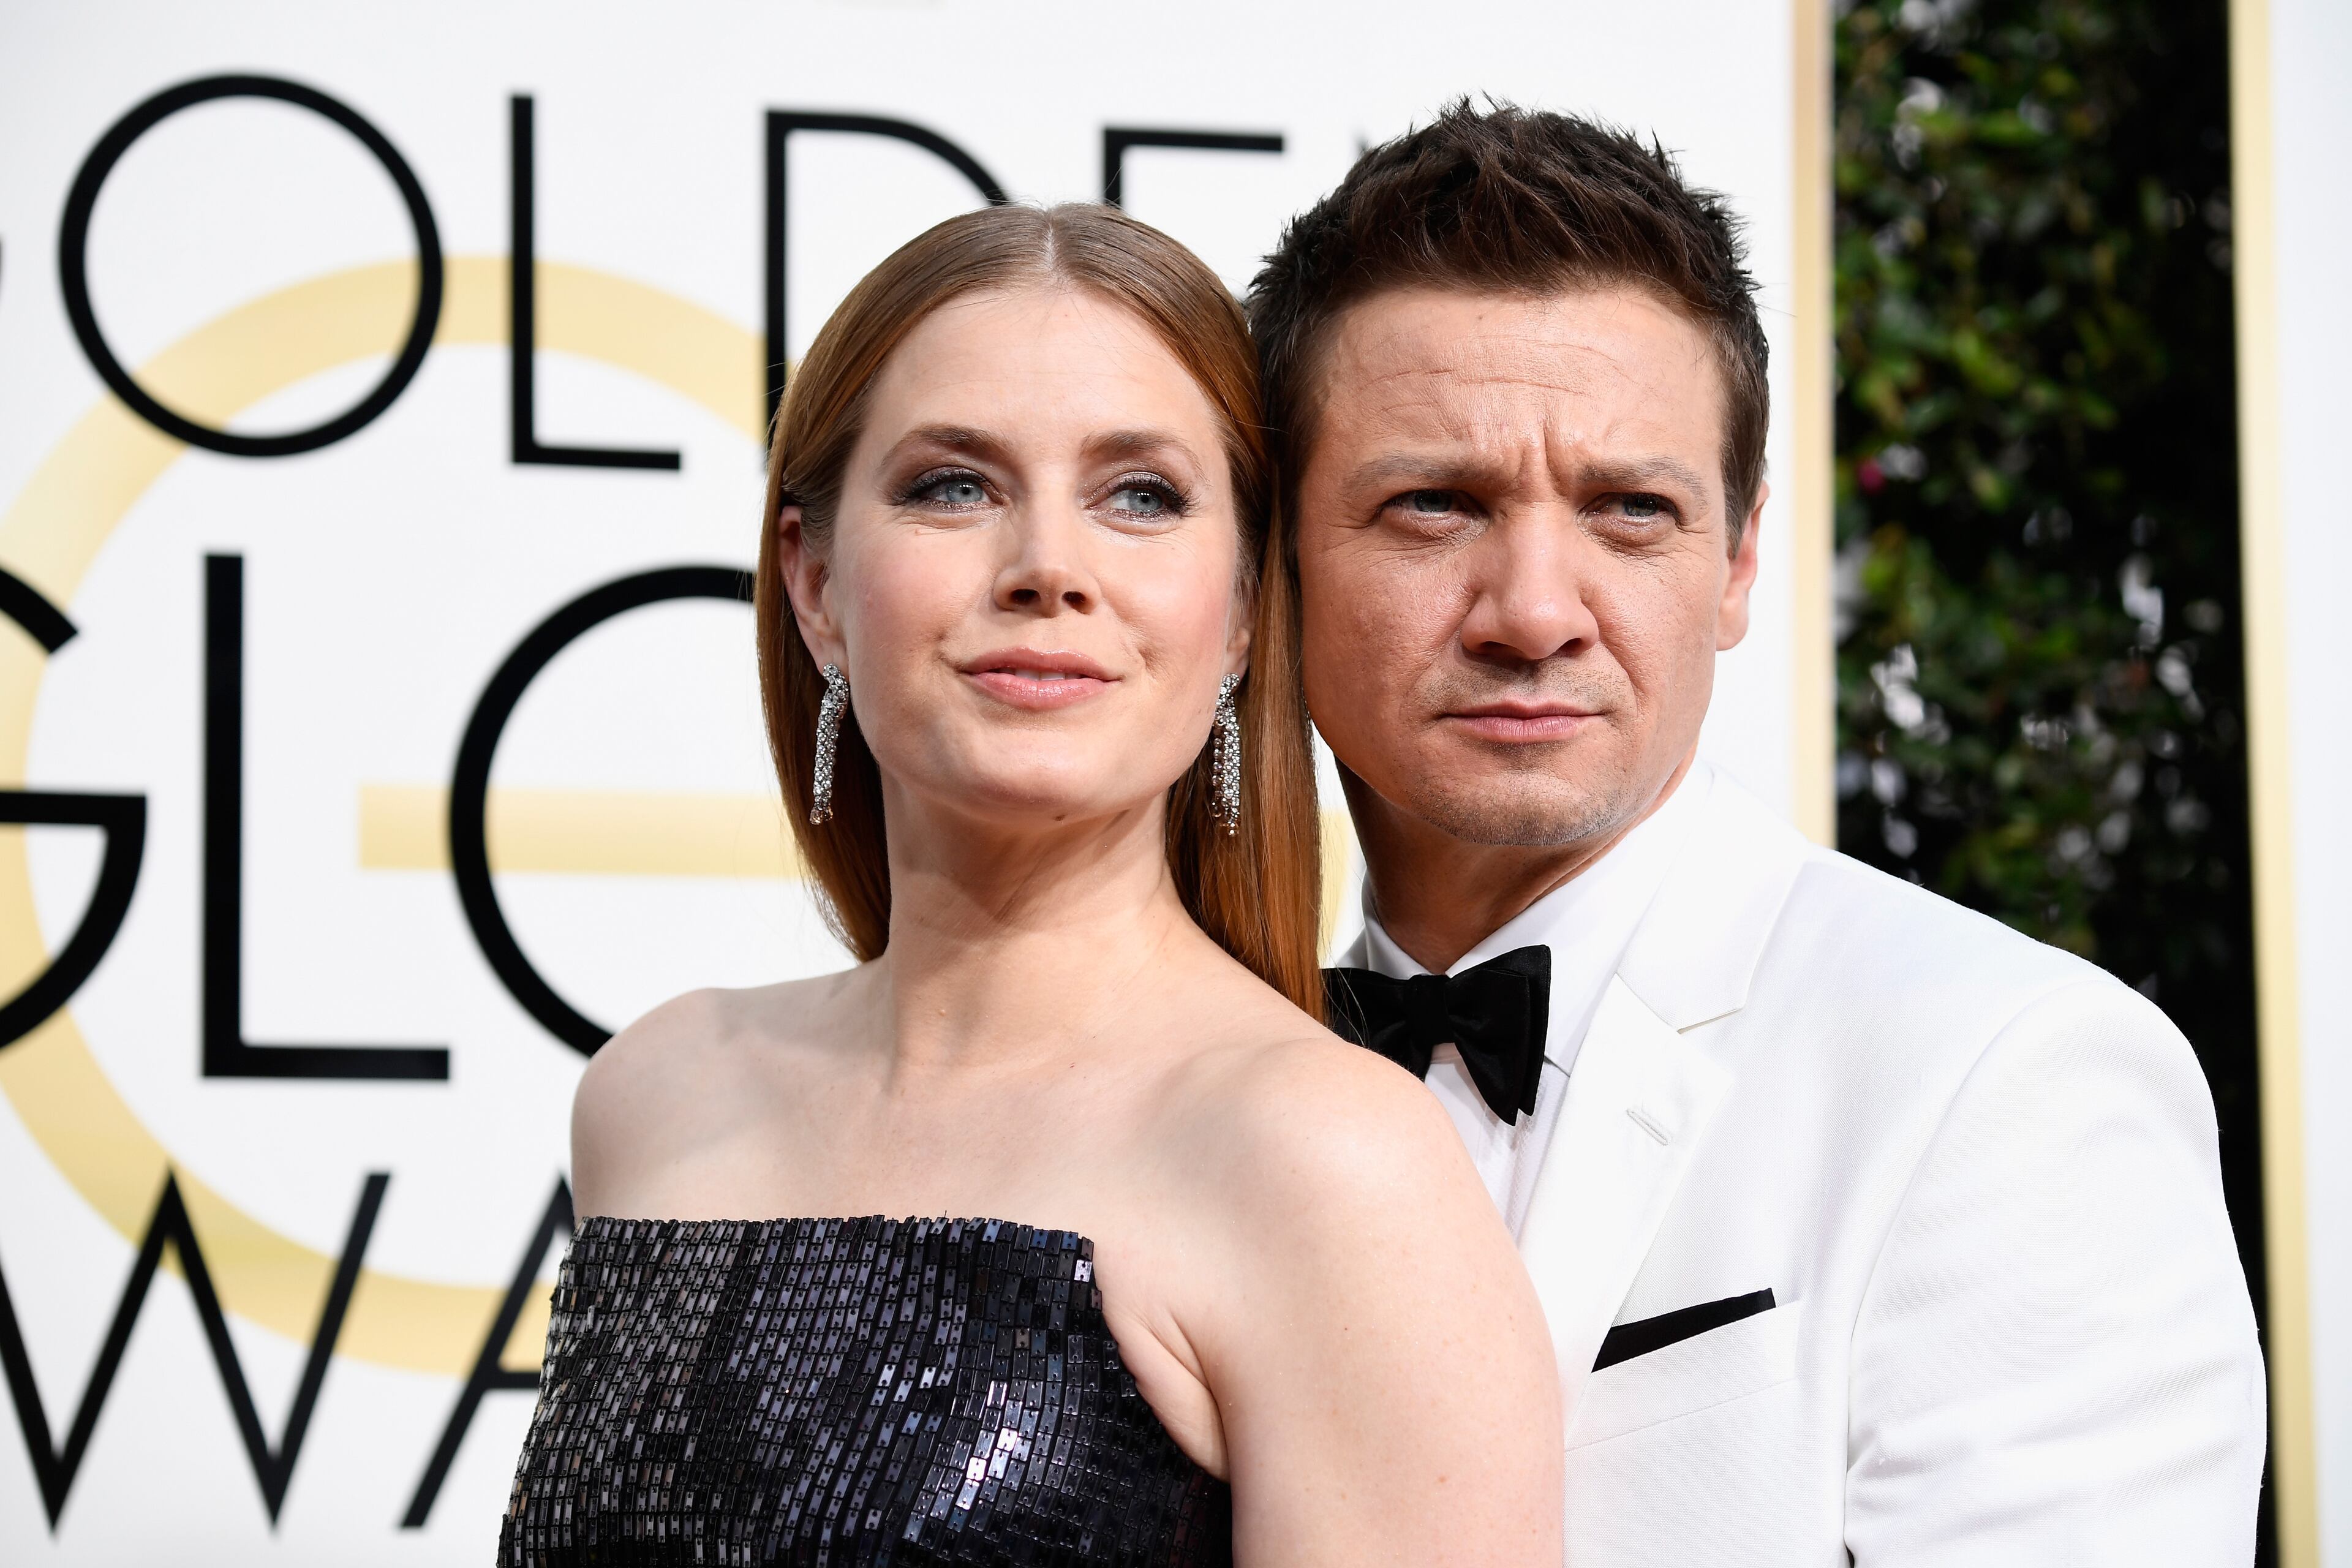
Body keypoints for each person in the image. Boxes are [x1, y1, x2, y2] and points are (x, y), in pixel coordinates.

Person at [1251, 103, 2268, 1562]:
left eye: (1629, 509)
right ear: (1272, 562)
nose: (1533, 611)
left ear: (1735, 562)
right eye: (1435, 504)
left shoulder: (2006, 1074)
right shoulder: (1202, 1072)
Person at [496, 203, 1562, 1568]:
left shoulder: (1329, 1160)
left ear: (1244, 606)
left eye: (1142, 495)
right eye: (954, 486)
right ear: (814, 583)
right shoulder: (656, 1091)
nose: (1049, 568)